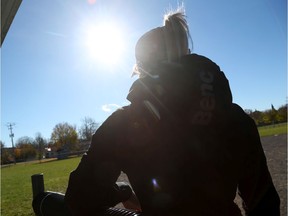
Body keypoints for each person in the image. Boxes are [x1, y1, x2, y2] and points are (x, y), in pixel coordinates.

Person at [64, 6, 280, 216]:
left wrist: (123, 192)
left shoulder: (125, 123)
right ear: (186, 55)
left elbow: (79, 197)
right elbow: (264, 203)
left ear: (143, 71)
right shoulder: (235, 119)